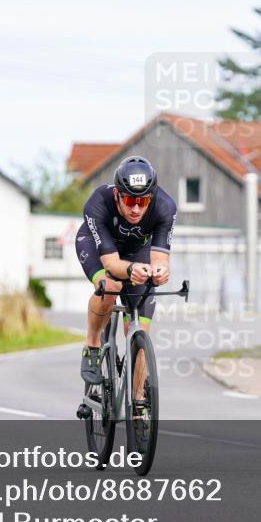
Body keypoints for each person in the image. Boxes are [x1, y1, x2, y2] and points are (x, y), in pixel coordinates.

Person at [74, 156, 176, 404]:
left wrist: (160, 272)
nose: (136, 209)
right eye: (130, 200)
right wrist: (131, 270)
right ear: (118, 195)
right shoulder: (98, 202)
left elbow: (160, 258)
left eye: (142, 202)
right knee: (109, 286)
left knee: (139, 328)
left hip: (136, 252)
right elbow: (111, 264)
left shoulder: (165, 206)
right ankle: (93, 345)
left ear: (151, 198)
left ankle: (138, 402)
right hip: (100, 248)